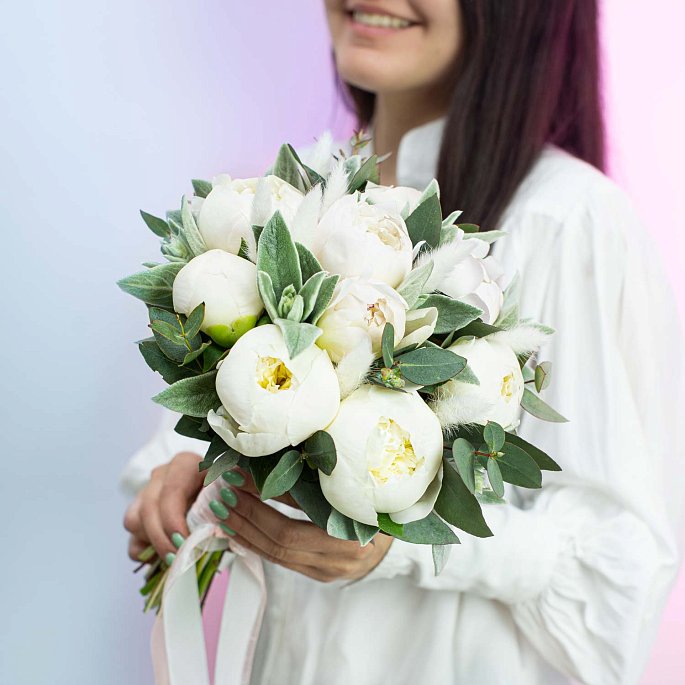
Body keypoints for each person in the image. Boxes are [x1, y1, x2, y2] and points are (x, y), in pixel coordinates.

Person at [122, 1, 685, 683]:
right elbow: (206, 436)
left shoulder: (566, 218)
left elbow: (618, 567)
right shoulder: (285, 200)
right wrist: (189, 476)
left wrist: (402, 543)